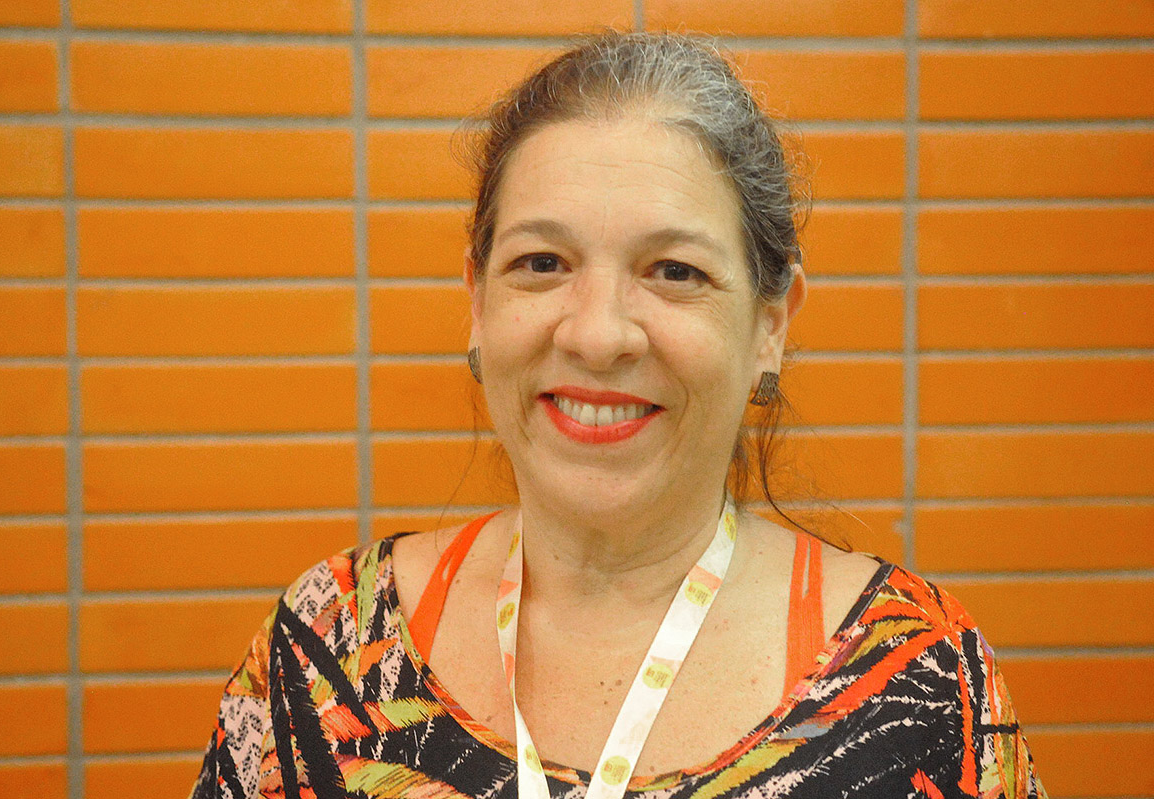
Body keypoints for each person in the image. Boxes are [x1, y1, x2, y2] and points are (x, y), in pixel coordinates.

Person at [191, 32, 1045, 798]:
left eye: (674, 271)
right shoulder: (323, 653)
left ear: (770, 325)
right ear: (478, 303)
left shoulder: (925, 680)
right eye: (542, 262)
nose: (598, 335)